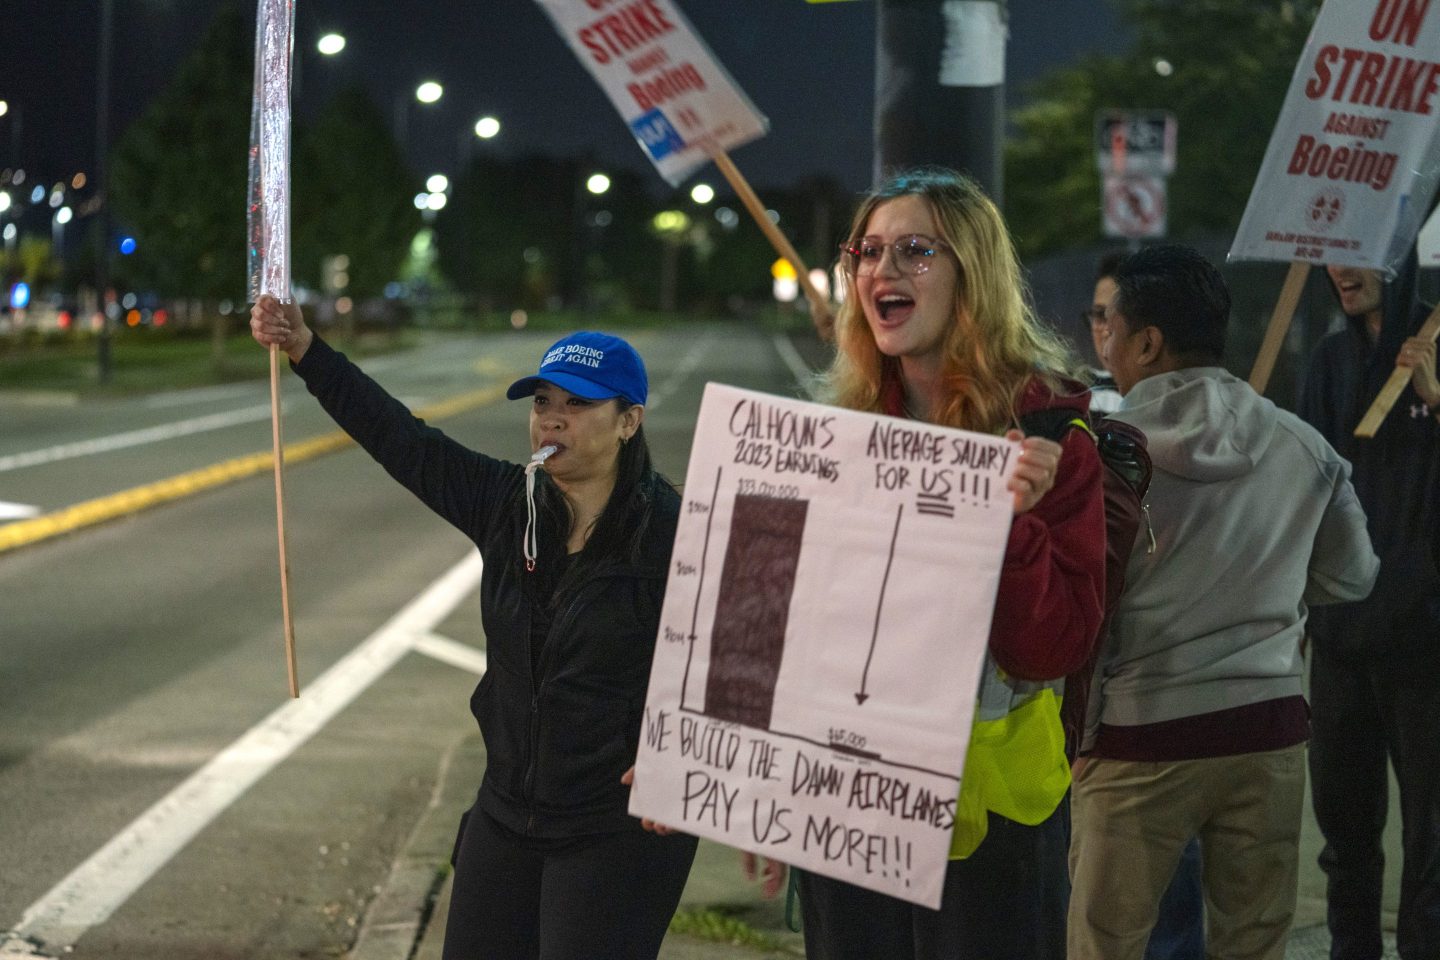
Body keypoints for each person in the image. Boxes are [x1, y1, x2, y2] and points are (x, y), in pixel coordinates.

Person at [248, 298, 698, 960]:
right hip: (506, 815)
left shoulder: (677, 533)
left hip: (616, 832)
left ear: (629, 422)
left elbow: (740, 661)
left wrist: (688, 753)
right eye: (543, 401)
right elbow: (404, 441)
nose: (552, 417)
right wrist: (306, 350)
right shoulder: (505, 504)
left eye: (577, 404)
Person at [791, 167, 1107, 959]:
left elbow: (1054, 648)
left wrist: (1012, 529)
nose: (882, 271)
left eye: (915, 251)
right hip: (848, 802)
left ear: (974, 273)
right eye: (868, 251)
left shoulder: (1052, 436)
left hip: (994, 821)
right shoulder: (837, 434)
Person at [1066, 245, 1379, 960]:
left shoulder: (1107, 455)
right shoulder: (1304, 448)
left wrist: (1080, 739)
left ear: (1148, 342)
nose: (1102, 340)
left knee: (1102, 943)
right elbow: (1354, 576)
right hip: (1266, 729)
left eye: (1108, 325)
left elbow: (1088, 606)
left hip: (1141, 734)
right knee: (1254, 943)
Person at [1298, 257, 1440, 960]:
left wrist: (1436, 398)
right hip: (1341, 636)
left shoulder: (1437, 343)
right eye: (1331, 256)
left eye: (1359, 254)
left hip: (1426, 638)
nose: (1341, 271)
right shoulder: (1328, 359)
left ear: (1397, 257)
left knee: (1431, 839)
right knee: (1345, 835)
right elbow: (1309, 486)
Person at [1087, 250, 1205, 960]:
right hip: (1102, 693)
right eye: (1094, 316)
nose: (1101, 332)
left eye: (1111, 317)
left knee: (1169, 888)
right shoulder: (1070, 409)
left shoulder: (1174, 426)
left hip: (1162, 686)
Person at [1083, 252, 1124, 415]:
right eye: (1099, 315)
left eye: (1117, 314)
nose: (1106, 330)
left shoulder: (1173, 400)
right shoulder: (1077, 397)